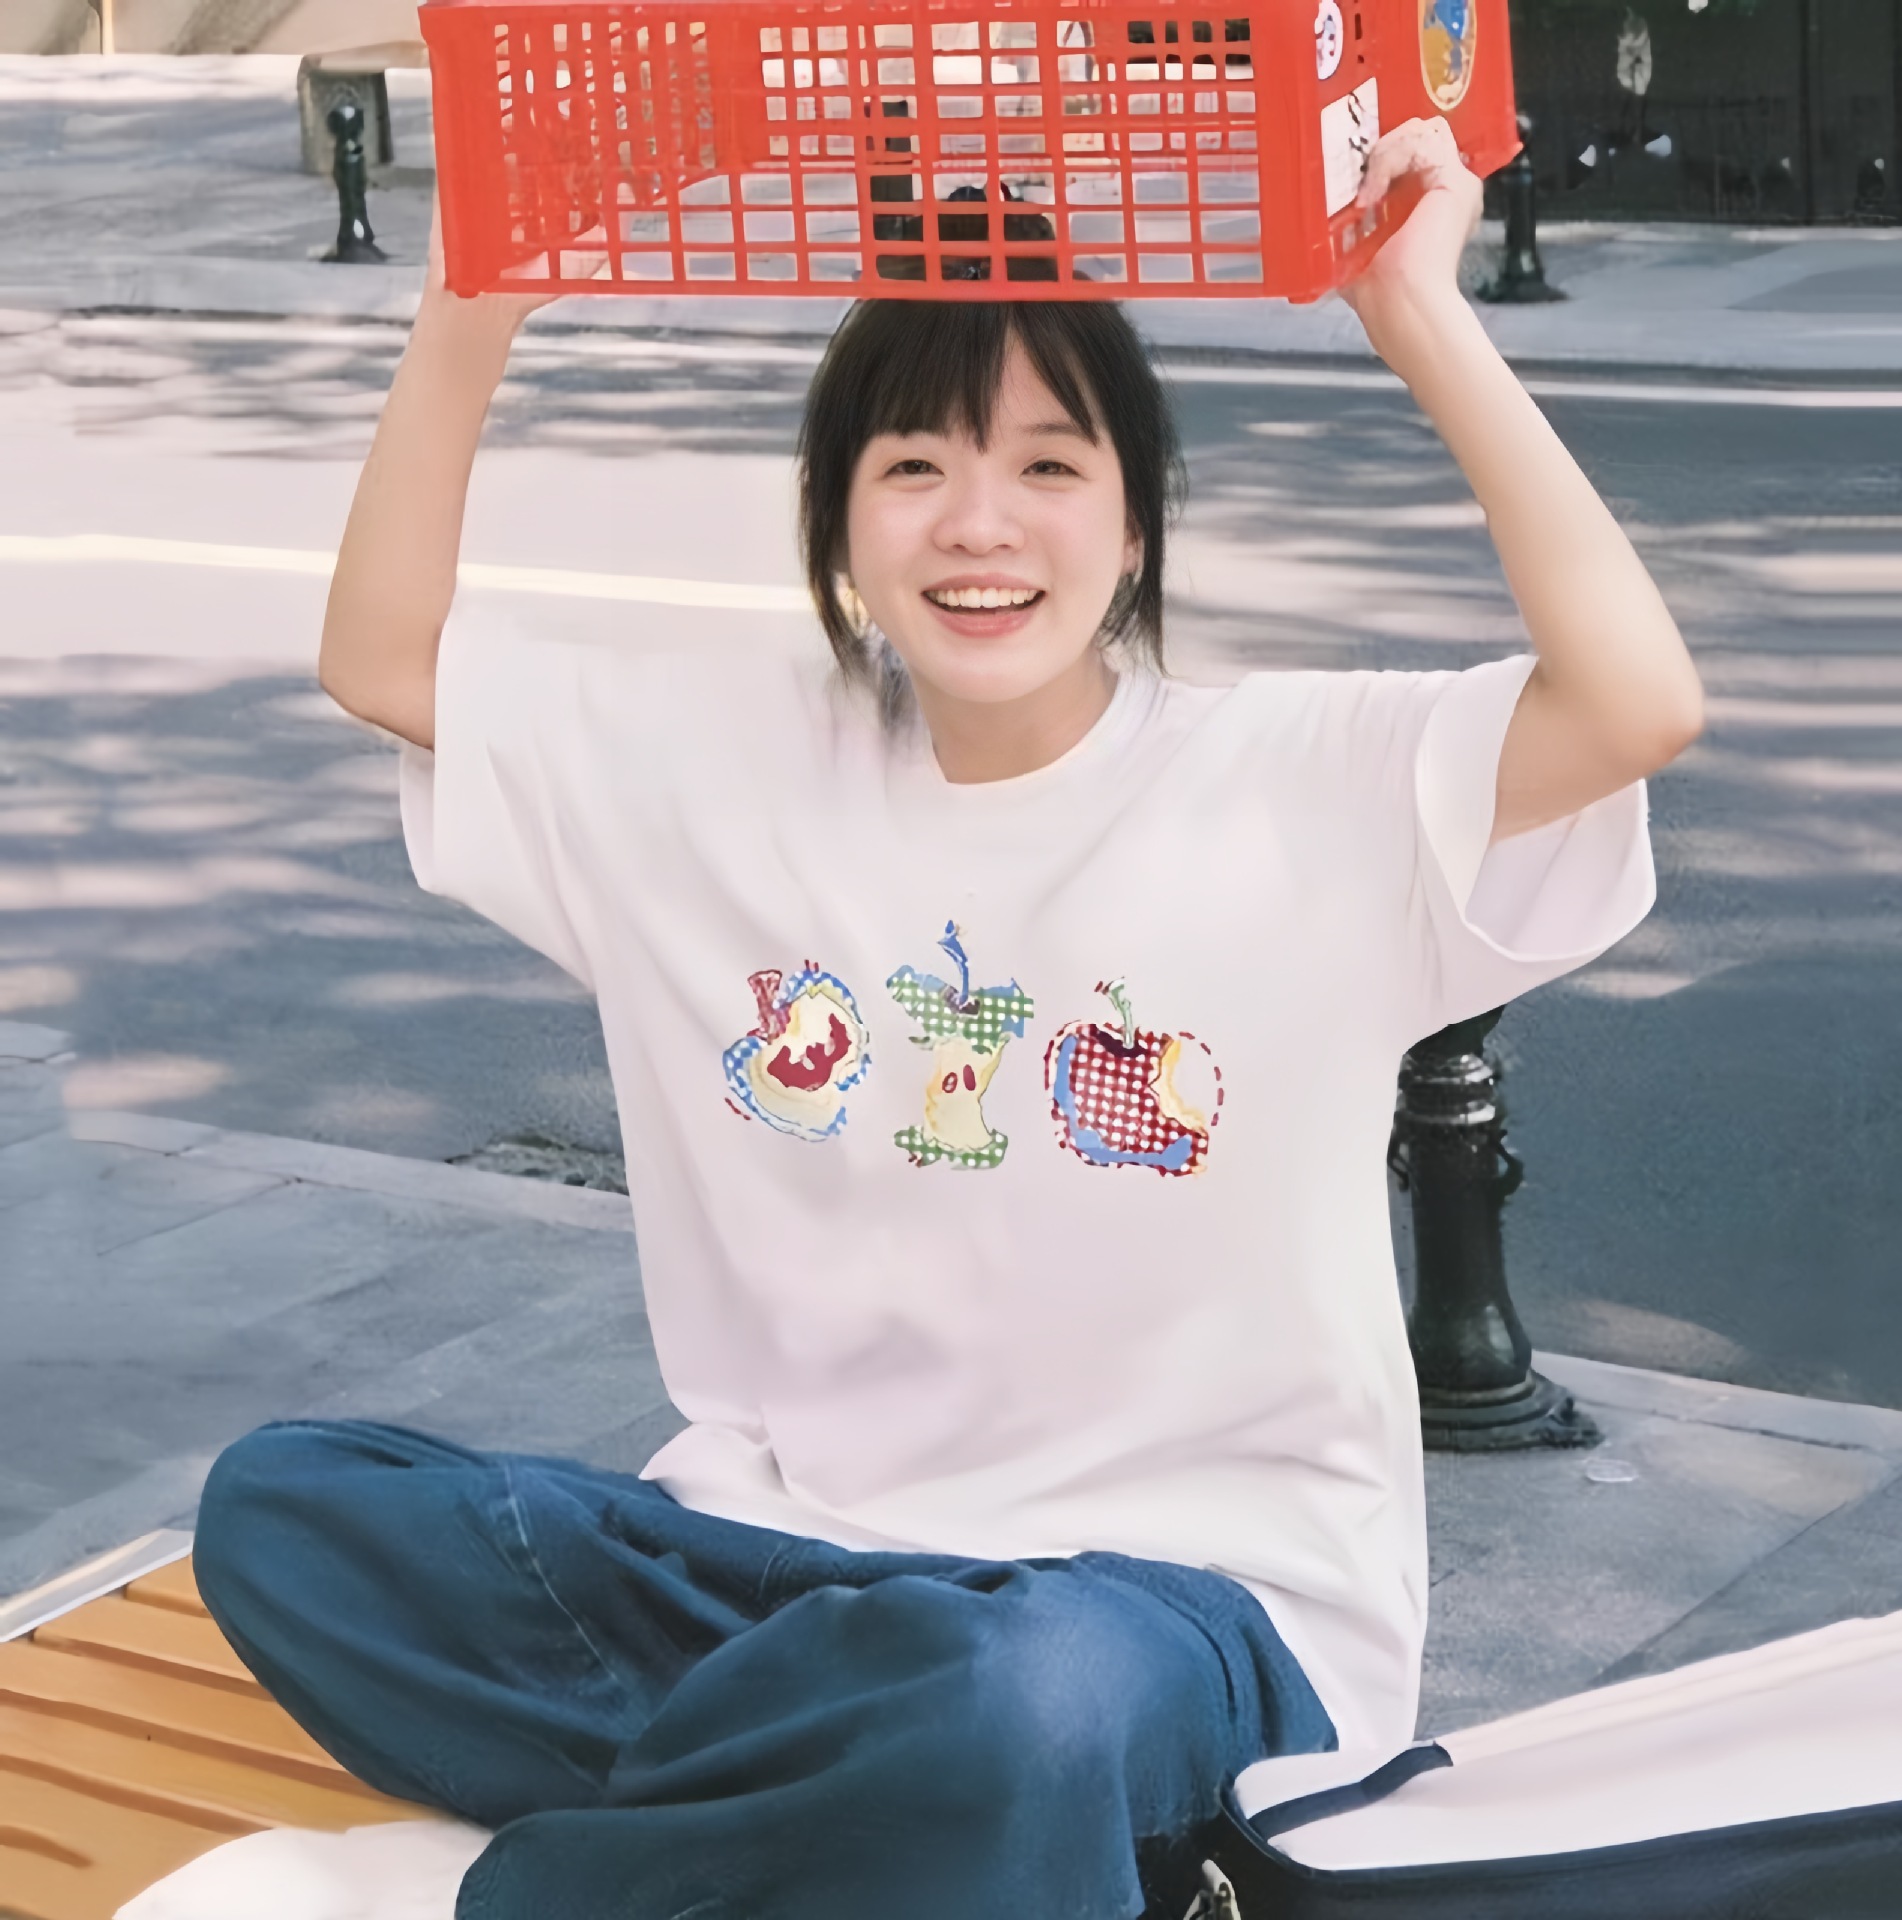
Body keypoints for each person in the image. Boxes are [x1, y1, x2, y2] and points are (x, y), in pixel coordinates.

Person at [192, 116, 1703, 1920]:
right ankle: (872, 1803)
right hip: (778, 1571)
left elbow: (1635, 701)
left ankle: (684, 1849)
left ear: (1131, 529)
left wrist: (1419, 314)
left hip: (1174, 1611)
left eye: (1049, 465)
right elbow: (382, 658)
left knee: (1011, 1703)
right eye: (914, 464)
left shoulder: (1301, 776)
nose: (980, 523)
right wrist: (467, 307)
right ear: (841, 527)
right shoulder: (723, 766)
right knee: (289, 1512)